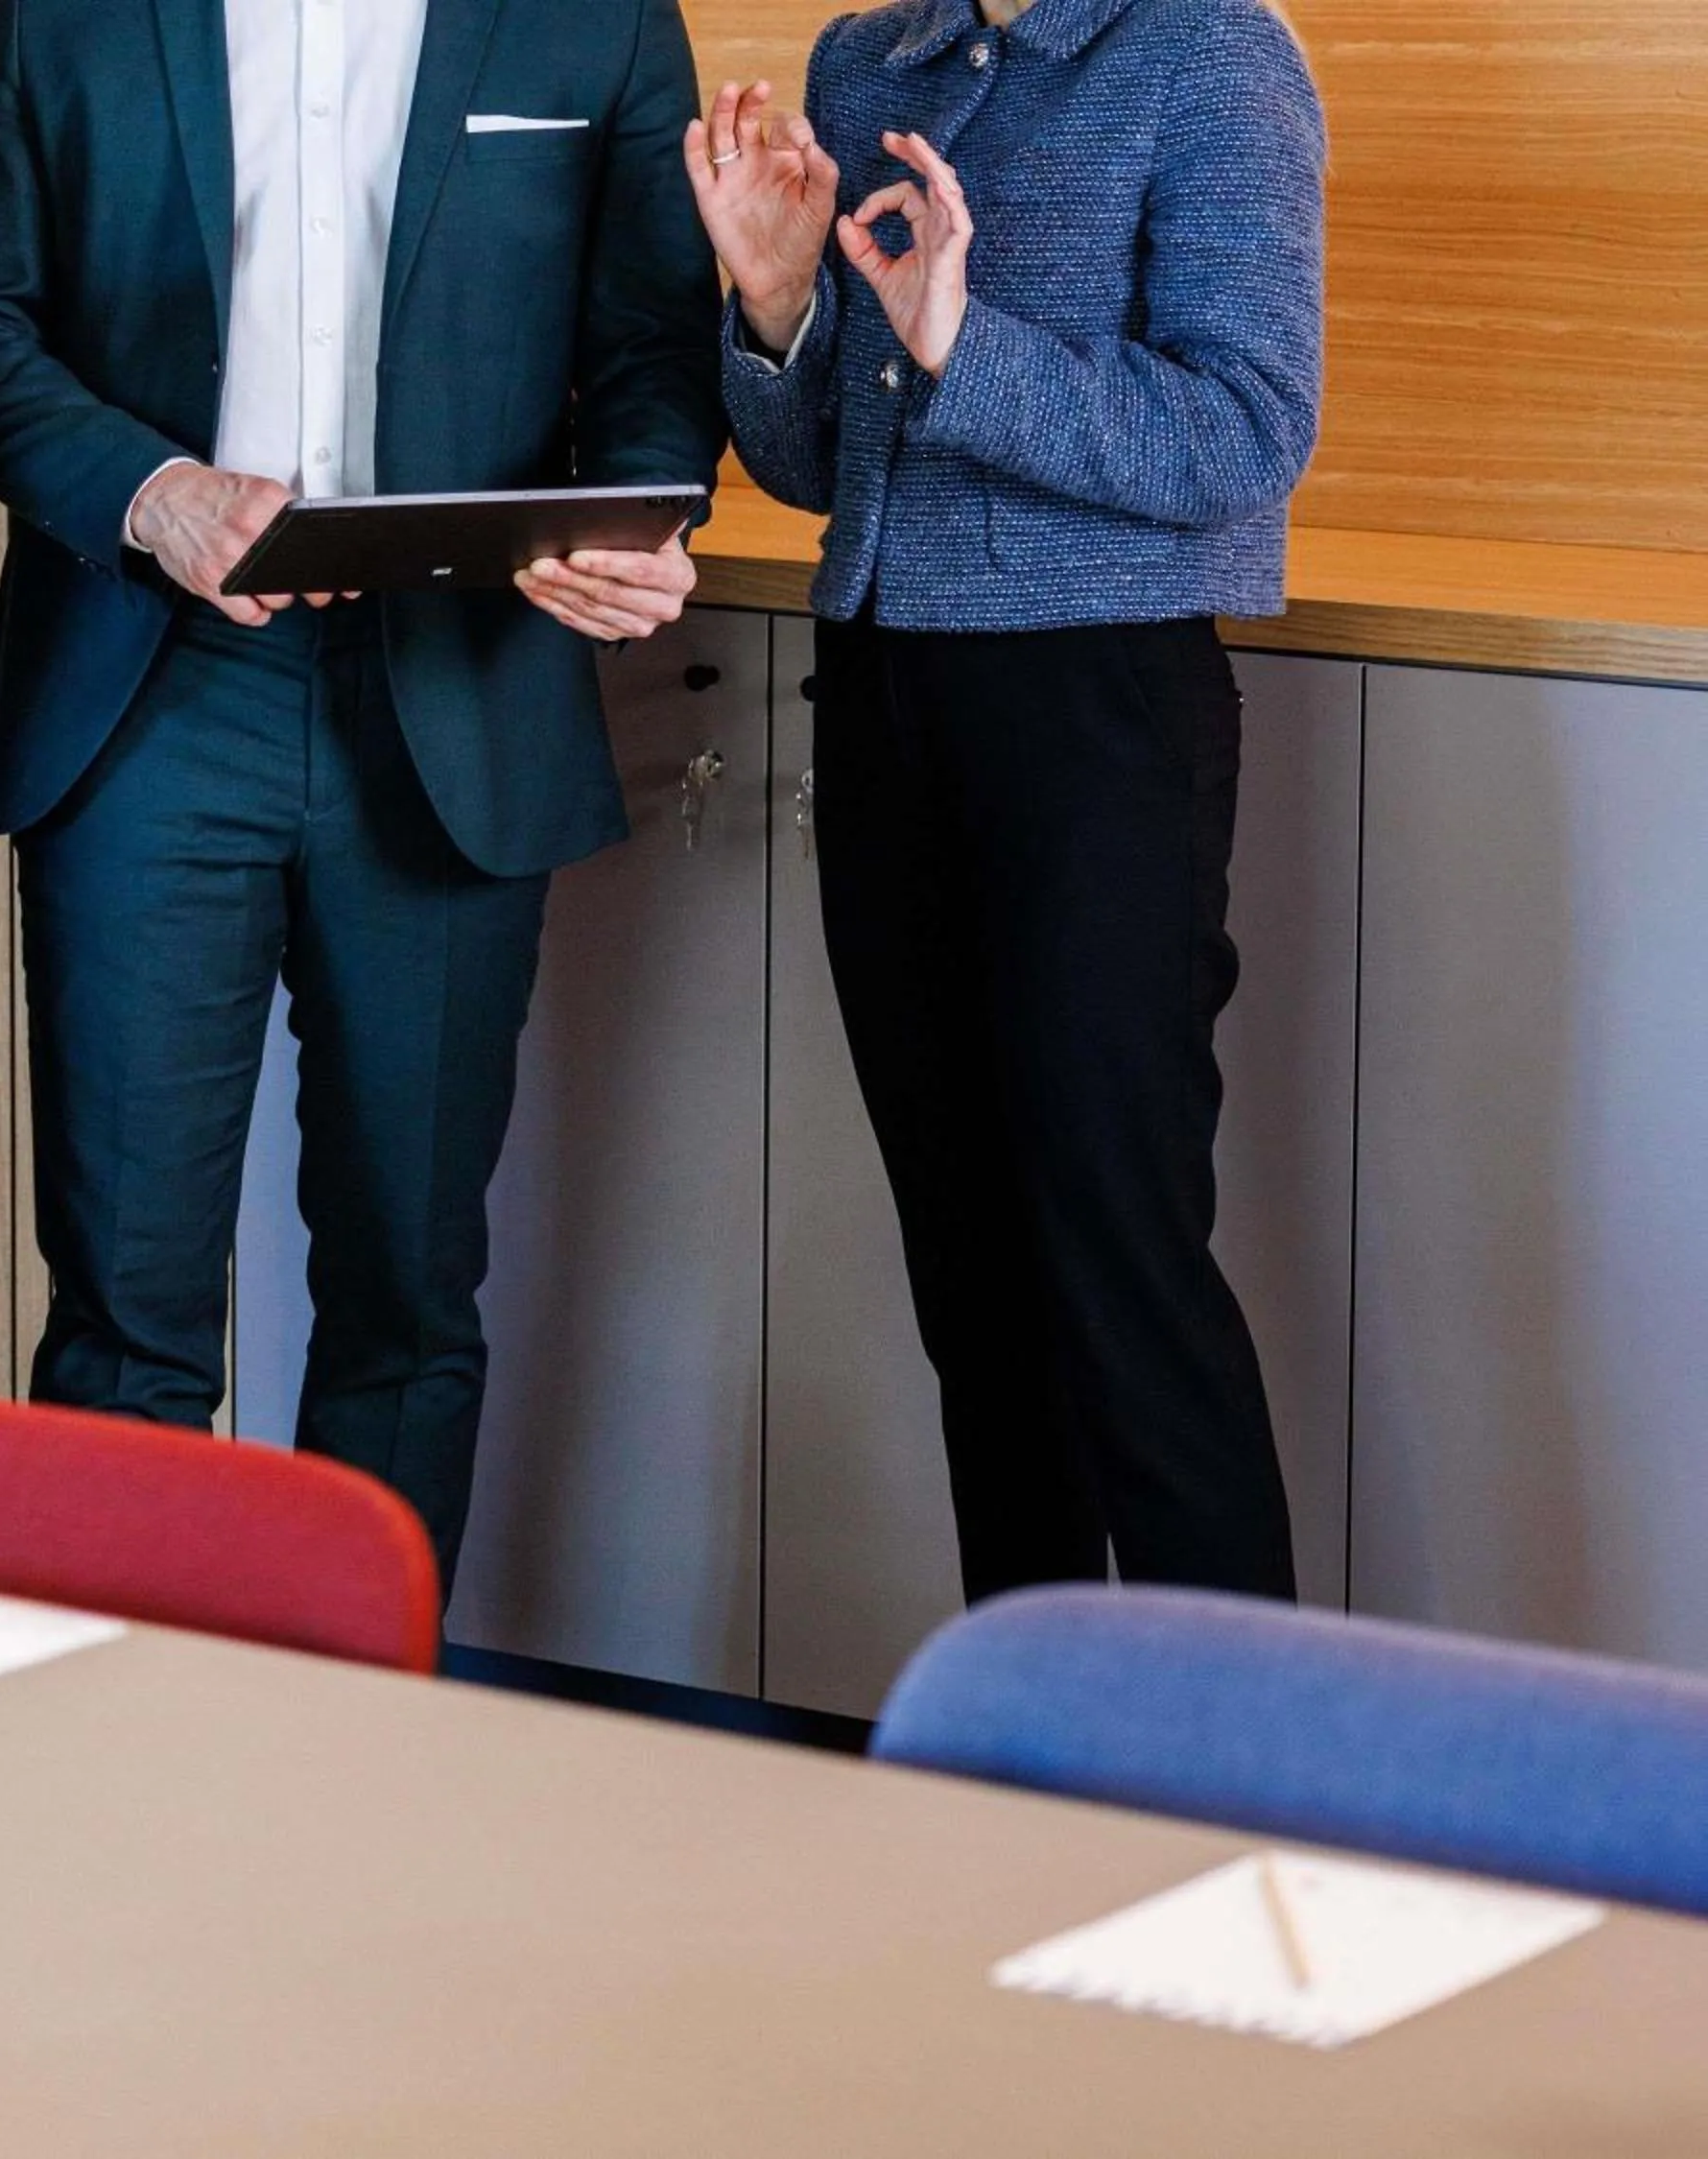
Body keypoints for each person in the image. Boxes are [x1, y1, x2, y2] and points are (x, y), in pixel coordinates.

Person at [0, 0, 726, 1592]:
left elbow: (648, 345)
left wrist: (633, 513)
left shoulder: (599, 17)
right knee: (125, 1304)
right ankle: (123, 1751)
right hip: (150, 683)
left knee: (408, 1297)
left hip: (459, 686)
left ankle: (362, 1759)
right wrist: (153, 495)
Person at [693, 0, 1324, 1601]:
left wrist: (966, 343)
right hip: (893, 704)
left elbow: (1249, 431)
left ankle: (1245, 1779)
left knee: (1121, 1280)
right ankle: (1036, 1767)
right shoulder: (866, 62)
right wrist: (776, 311)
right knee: (972, 1291)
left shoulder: (1209, 55)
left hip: (1101, 717)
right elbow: (832, 458)